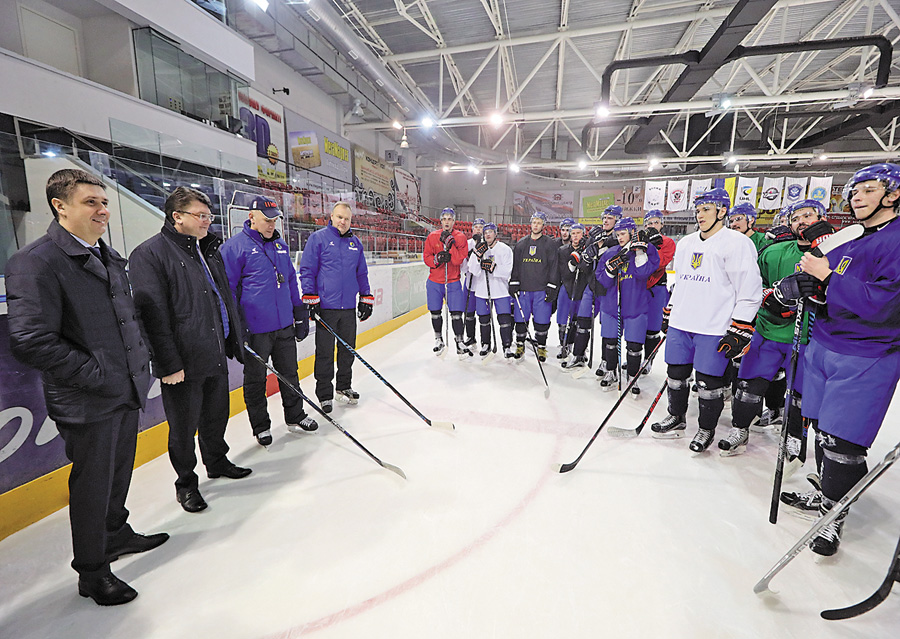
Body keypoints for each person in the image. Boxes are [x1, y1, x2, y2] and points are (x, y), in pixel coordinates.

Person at [6, 169, 167, 605]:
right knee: (93, 486)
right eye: (91, 202)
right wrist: (97, 375)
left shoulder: (107, 255)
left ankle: (115, 534)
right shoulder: (35, 262)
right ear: (60, 206)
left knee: (118, 475)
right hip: (87, 400)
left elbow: (126, 321)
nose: (103, 210)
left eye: (104, 202)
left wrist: (138, 368)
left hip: (125, 391)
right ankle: (92, 573)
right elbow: (31, 339)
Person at [775, 163, 900, 556]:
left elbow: (885, 304)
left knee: (842, 442)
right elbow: (825, 289)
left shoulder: (896, 239)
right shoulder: (849, 238)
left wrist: (828, 278)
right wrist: (806, 290)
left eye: (867, 190)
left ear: (892, 194)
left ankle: (834, 516)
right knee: (820, 427)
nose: (856, 197)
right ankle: (825, 495)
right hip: (824, 344)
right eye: (854, 191)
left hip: (868, 353)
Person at [130, 187, 250, 515]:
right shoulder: (150, 254)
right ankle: (186, 483)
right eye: (201, 216)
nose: (207, 222)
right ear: (177, 217)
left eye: (209, 216)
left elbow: (222, 299)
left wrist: (234, 341)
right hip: (182, 361)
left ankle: (217, 460)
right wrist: (168, 363)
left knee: (216, 415)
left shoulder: (206, 250)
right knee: (183, 428)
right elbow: (151, 315)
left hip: (213, 350)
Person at [650, 188, 762, 453]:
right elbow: (680, 282)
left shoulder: (736, 243)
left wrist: (741, 325)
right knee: (675, 375)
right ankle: (676, 417)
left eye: (707, 210)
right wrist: (671, 310)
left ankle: (706, 428)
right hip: (682, 323)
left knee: (708, 383)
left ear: (722, 211)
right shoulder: (687, 243)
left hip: (713, 327)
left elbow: (749, 289)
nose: (700, 215)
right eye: (698, 210)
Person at [725, 199, 831, 458]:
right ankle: (740, 428)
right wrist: (770, 299)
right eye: (795, 218)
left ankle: (793, 436)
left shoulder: (836, 254)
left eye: (808, 215)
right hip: (769, 332)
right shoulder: (774, 252)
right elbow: (751, 286)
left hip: (809, 338)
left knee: (799, 395)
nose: (801, 222)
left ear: (822, 218)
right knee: (749, 386)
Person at [220, 195, 317, 448]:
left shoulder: (281, 246)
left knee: (290, 374)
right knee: (255, 380)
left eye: (275, 220)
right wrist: (236, 329)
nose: (271, 225)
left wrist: (300, 314)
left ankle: (295, 415)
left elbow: (291, 281)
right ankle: (261, 426)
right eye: (266, 220)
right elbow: (227, 293)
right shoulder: (233, 248)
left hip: (283, 324)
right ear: (251, 217)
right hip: (255, 330)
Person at [298, 201, 373, 412]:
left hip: (348, 307)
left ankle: (344, 387)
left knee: (347, 350)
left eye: (347, 219)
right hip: (326, 308)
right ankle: (324, 393)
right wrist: (310, 297)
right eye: (340, 217)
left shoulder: (355, 243)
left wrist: (365, 296)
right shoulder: (318, 239)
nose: (343, 221)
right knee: (325, 352)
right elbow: (307, 270)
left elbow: (362, 273)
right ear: (331, 217)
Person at [595, 217, 660, 395]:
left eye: (623, 233)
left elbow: (644, 273)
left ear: (632, 232)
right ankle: (611, 371)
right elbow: (602, 280)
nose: (620, 237)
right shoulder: (610, 253)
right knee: (609, 342)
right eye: (617, 234)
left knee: (634, 346)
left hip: (635, 305)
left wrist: (639, 252)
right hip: (611, 306)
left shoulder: (646, 249)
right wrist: (610, 268)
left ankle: (633, 376)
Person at [509, 211, 560, 361]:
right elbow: (516, 266)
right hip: (524, 290)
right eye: (534, 222)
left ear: (543, 225)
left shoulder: (550, 244)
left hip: (541, 290)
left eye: (539, 222)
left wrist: (552, 286)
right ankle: (519, 346)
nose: (536, 225)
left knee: (542, 322)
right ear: (530, 224)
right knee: (520, 320)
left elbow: (554, 267)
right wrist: (514, 282)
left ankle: (542, 348)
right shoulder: (521, 244)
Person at [422, 207, 468, 357]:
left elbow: (458, 259)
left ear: (454, 221)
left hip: (453, 281)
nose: (447, 222)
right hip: (435, 281)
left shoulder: (460, 237)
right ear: (441, 221)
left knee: (456, 313)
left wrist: (451, 245)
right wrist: (437, 259)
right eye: (444, 219)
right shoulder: (432, 236)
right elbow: (427, 257)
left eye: (450, 219)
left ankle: (460, 341)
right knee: (435, 312)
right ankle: (438, 338)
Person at [467, 223, 515, 358]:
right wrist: (477, 256)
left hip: (500, 290)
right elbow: (473, 270)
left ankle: (507, 346)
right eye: (485, 232)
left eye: (490, 232)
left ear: (496, 234)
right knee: (483, 319)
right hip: (482, 289)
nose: (488, 234)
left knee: (504, 319)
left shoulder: (505, 249)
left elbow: (507, 271)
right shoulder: (480, 249)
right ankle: (485, 344)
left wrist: (494, 268)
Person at [559, 223, 600, 371]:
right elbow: (564, 273)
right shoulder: (563, 250)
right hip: (570, 289)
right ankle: (566, 346)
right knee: (567, 320)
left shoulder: (589, 248)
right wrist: (572, 264)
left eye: (578, 233)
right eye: (573, 233)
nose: (575, 236)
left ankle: (580, 350)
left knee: (581, 322)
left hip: (584, 289)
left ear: (583, 234)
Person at [642, 210, 676, 371]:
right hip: (639, 289)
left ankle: (648, 360)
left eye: (656, 222)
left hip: (657, 289)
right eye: (649, 223)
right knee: (637, 325)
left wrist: (652, 249)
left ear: (662, 224)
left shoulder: (667, 242)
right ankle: (635, 356)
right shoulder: (640, 240)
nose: (652, 226)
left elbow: (660, 263)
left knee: (653, 328)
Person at [461, 217, 486, 352]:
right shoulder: (467, 243)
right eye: (476, 227)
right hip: (470, 281)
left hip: (482, 282)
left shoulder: (487, 243)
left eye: (481, 227)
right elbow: (463, 265)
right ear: (472, 229)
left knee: (483, 314)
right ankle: (471, 337)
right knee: (469, 313)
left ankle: (485, 341)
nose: (478, 229)